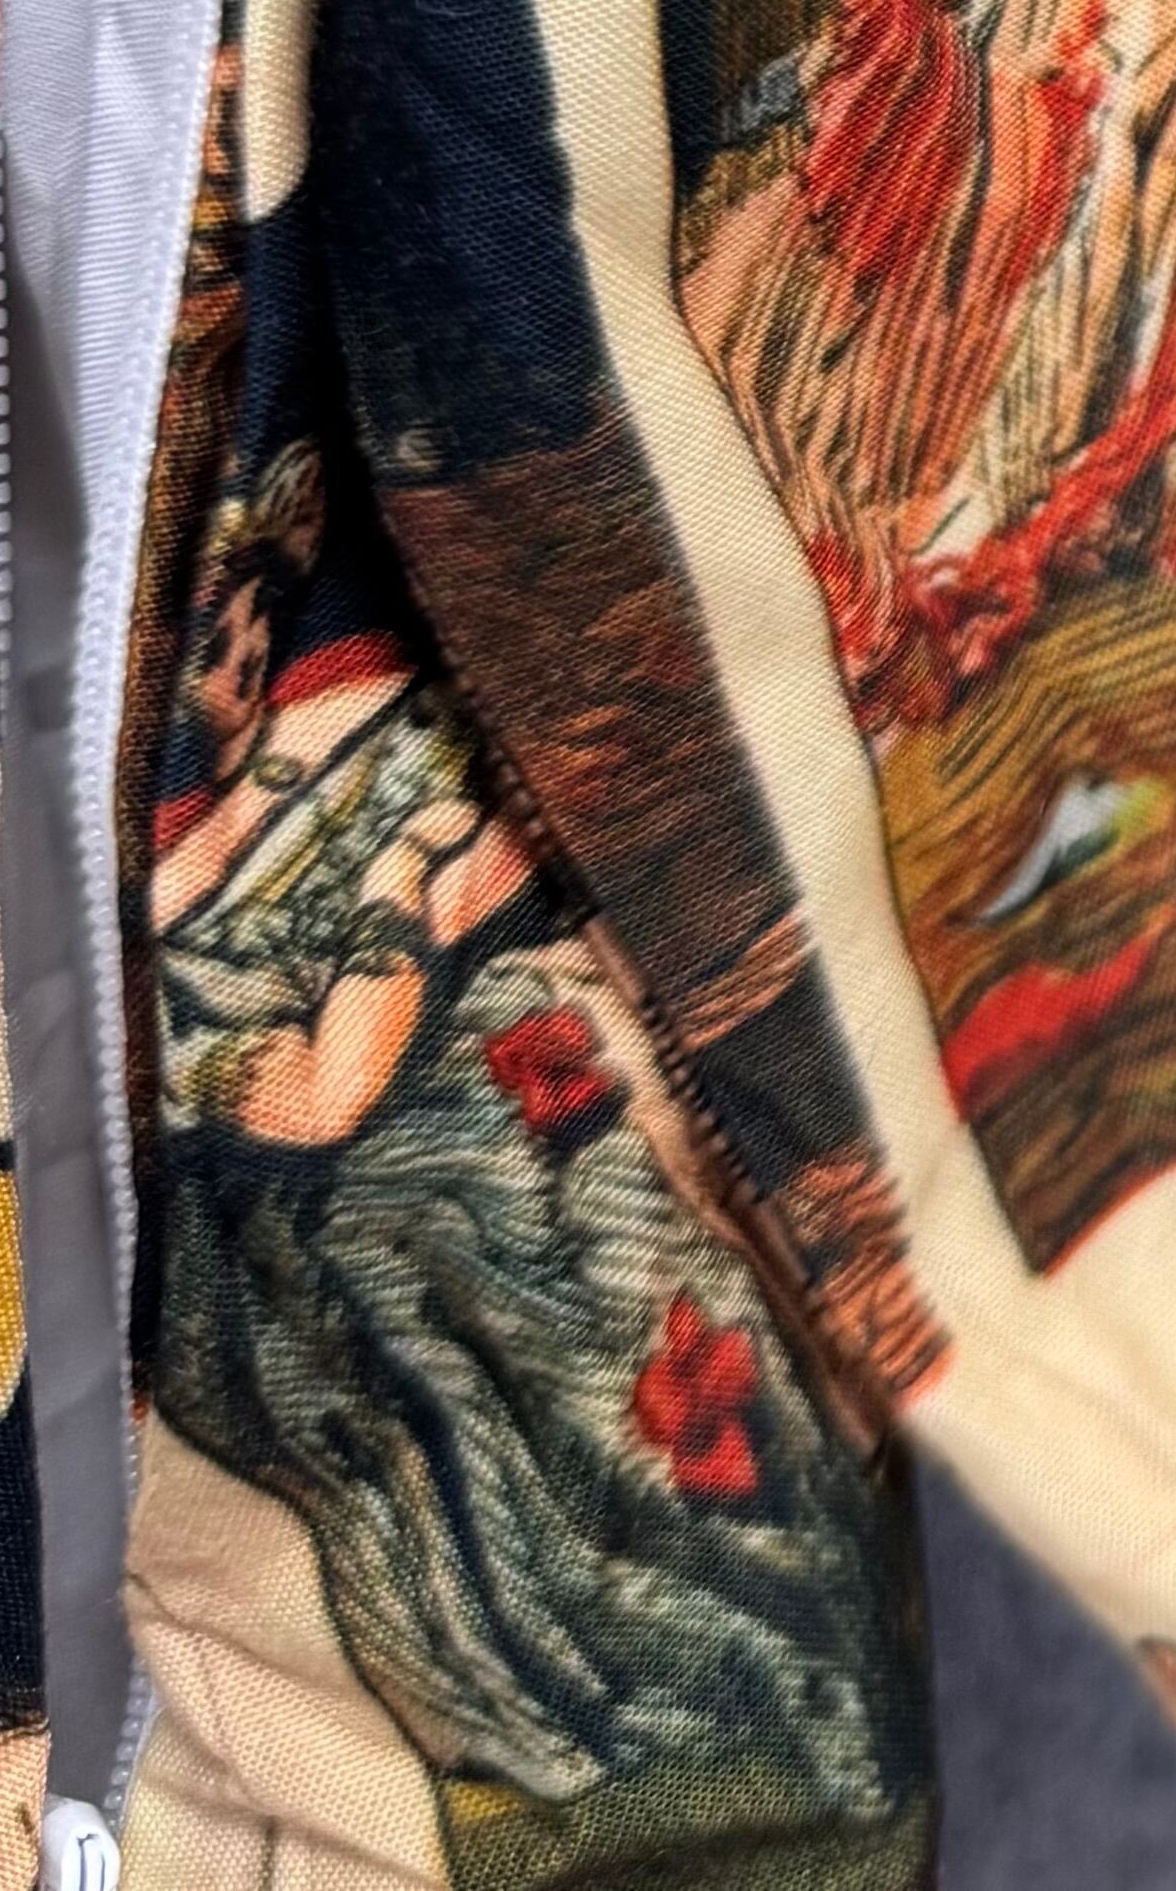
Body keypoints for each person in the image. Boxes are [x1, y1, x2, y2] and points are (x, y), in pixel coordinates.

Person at [146, 454, 914, 1827]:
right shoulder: (171, 907)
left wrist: (438, 894)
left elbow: (558, 825)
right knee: (644, 1473)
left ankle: (831, 1698)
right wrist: (414, 881)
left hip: (572, 1126)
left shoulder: (338, 686)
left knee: (741, 1414)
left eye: (252, 624)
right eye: (224, 638)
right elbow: (322, 1092)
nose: (239, 655)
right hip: (450, 1218)